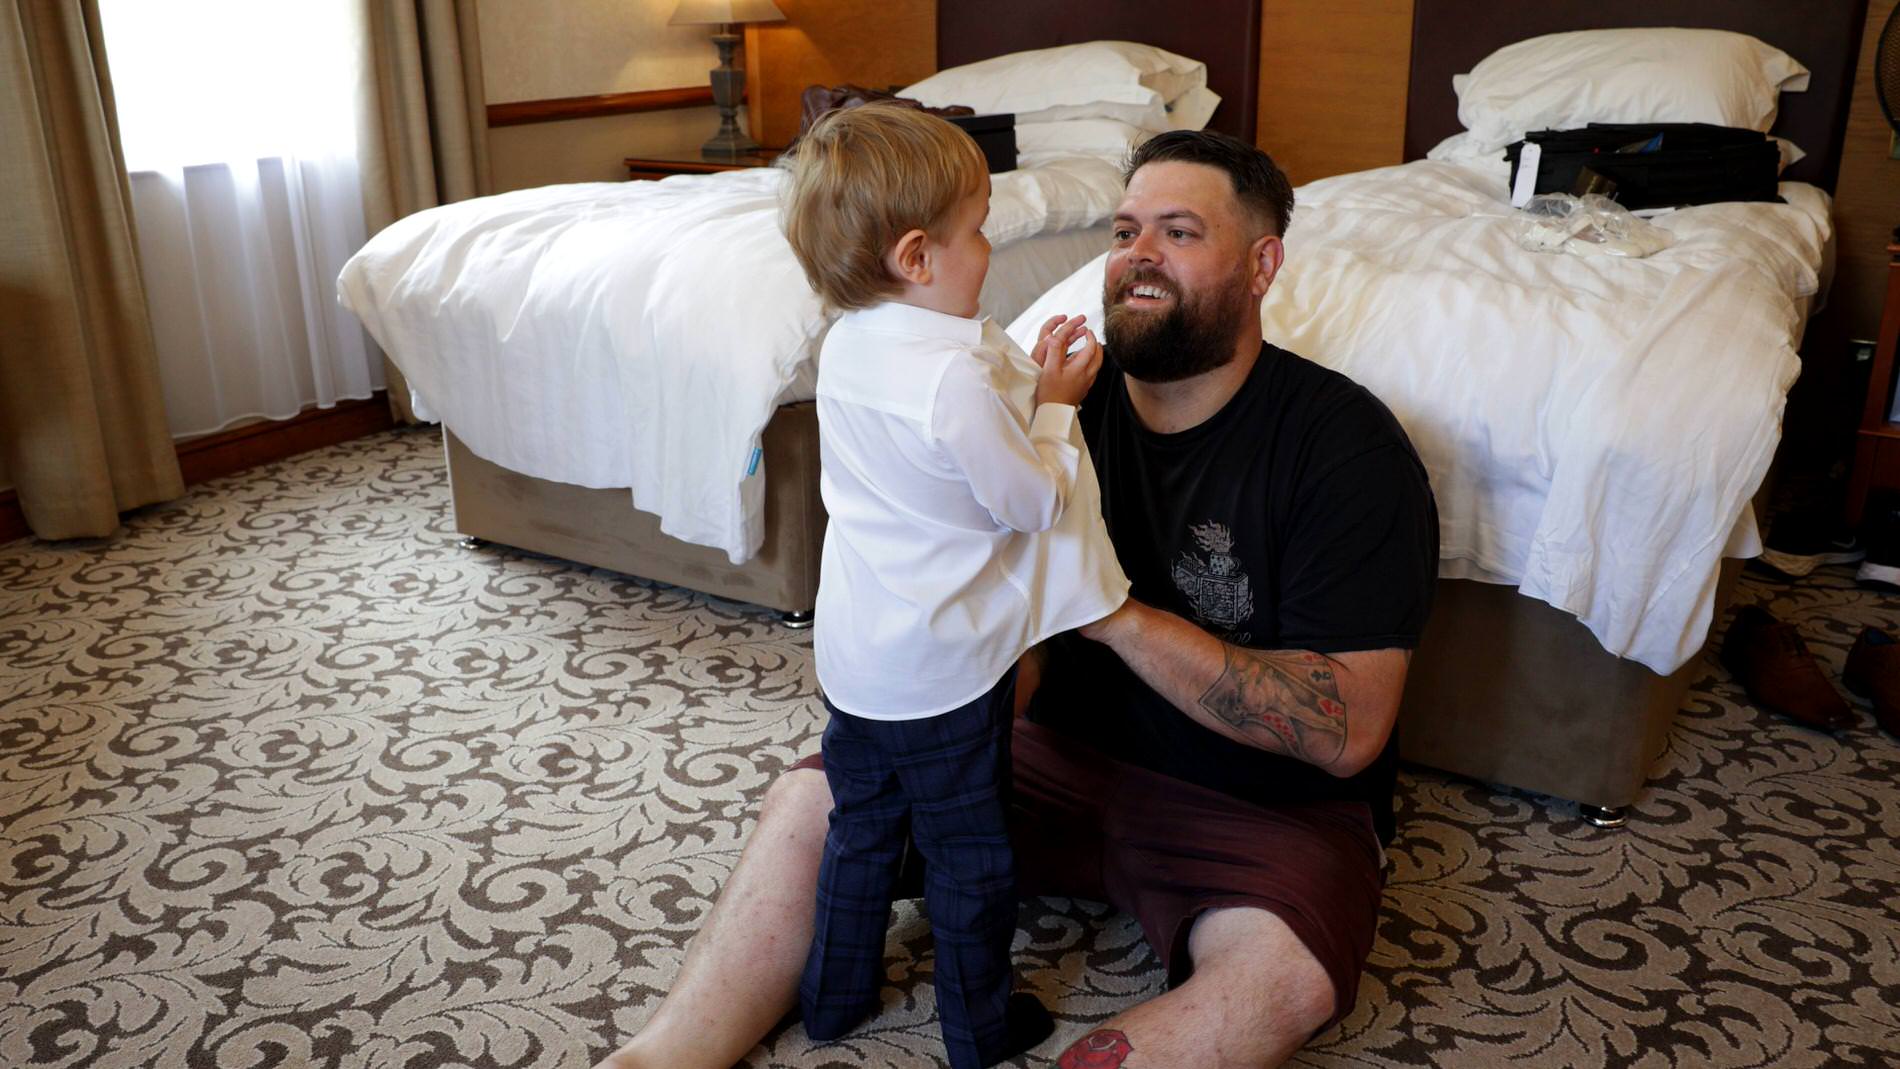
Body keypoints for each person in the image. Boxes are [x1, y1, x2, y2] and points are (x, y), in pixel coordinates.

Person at [596, 128, 1438, 1069]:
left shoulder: (1343, 449)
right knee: (817, 801)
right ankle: (661, 1055)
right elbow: (981, 590)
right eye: (1123, 231)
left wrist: (1106, 608)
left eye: (1179, 232)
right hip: (1049, 755)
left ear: (1261, 263)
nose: (1137, 256)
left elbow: (1347, 728)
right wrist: (962, 725)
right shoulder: (1048, 404)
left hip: (1257, 806)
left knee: (1279, 977)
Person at [776, 104, 1130, 1069]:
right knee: (971, 856)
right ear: (919, 256)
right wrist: (1057, 408)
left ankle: (834, 998)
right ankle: (977, 1032)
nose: (989, 244)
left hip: (857, 659)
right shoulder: (955, 383)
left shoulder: (847, 342)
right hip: (943, 672)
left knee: (862, 832)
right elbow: (1026, 504)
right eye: (979, 228)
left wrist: (1017, 375)